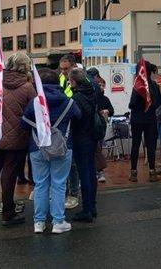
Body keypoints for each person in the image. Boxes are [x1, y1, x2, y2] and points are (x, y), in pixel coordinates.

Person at [20, 68, 81, 234]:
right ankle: (58, 222)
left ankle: (39, 223)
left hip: (37, 147)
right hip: (62, 147)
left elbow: (24, 124)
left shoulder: (34, 103)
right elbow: (79, 117)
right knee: (59, 185)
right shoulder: (68, 102)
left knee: (40, 185)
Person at [0, 53, 36, 226]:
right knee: (9, 175)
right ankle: (8, 213)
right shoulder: (28, 87)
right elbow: (34, 112)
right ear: (25, 66)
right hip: (16, 138)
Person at [68, 68, 100, 222]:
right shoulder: (93, 92)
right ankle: (92, 207)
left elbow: (74, 119)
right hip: (92, 136)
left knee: (84, 174)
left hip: (81, 138)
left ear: (74, 81)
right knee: (91, 172)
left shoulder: (76, 98)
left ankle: (86, 210)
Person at [128, 61, 161, 183]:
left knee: (135, 145)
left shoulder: (137, 86)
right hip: (150, 119)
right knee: (151, 146)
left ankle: (133, 173)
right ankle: (152, 172)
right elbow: (159, 102)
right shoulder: (154, 85)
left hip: (137, 119)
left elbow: (131, 104)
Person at [57, 54, 79, 209]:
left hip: (74, 123)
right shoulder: (61, 78)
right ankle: (65, 192)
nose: (63, 72)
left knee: (73, 163)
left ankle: (74, 193)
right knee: (65, 161)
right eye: (62, 69)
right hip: (63, 124)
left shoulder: (79, 79)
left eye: (66, 69)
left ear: (73, 66)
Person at [87, 68, 114, 183]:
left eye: (102, 85)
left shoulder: (105, 99)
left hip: (100, 126)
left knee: (97, 149)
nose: (100, 87)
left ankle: (100, 171)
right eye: (99, 85)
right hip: (93, 124)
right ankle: (96, 171)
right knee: (94, 149)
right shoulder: (91, 95)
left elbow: (111, 110)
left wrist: (106, 111)